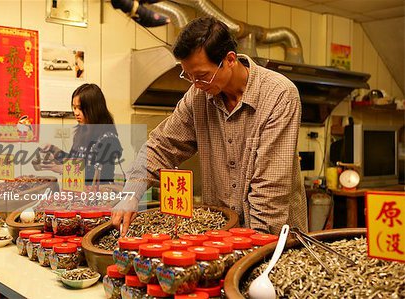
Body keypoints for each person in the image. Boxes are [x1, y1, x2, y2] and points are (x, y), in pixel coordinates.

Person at [112, 16, 308, 235]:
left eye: (202, 76)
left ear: (230, 59)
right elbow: (161, 146)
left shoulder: (278, 95)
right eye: (188, 76)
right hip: (219, 237)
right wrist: (130, 194)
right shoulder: (197, 97)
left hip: (271, 237)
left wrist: (251, 251)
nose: (196, 85)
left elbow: (270, 192)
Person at [39, 83, 122, 184]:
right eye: (74, 108)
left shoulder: (109, 138)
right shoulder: (82, 131)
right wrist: (54, 150)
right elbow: (73, 161)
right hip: (79, 192)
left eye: (80, 108)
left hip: (99, 195)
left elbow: (98, 173)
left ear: (95, 109)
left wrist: (62, 169)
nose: (76, 113)